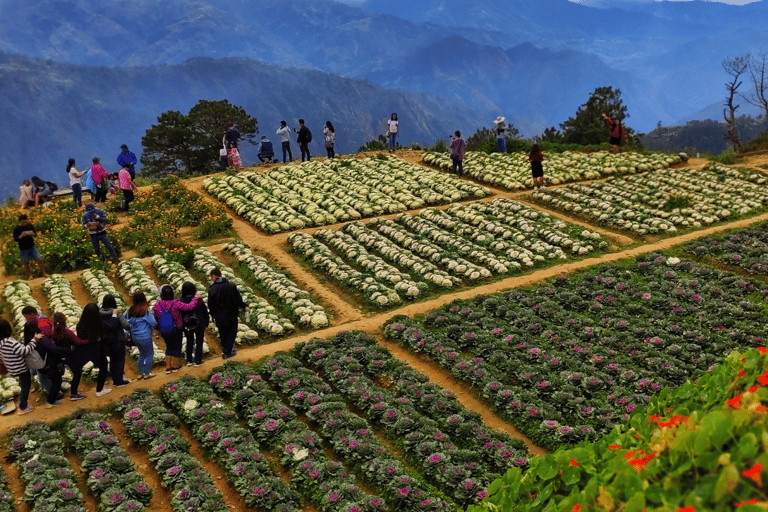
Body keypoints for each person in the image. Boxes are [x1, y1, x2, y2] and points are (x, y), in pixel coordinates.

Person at [153, 284, 199, 374]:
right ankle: (175, 366)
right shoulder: (175, 303)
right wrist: (195, 298)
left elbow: (156, 318)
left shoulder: (157, 305)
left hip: (164, 329)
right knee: (177, 346)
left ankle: (168, 367)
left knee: (169, 346)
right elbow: (189, 307)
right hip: (176, 328)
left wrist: (158, 328)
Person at [27, 322, 71, 408]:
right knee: (57, 381)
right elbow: (53, 349)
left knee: (51, 380)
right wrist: (67, 350)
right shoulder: (42, 339)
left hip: (38, 366)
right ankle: (51, 401)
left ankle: (52, 400)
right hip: (48, 365)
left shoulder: (28, 340)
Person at [49, 312, 90, 401]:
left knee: (75, 372)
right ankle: (74, 394)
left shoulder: (53, 332)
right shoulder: (67, 332)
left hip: (62, 356)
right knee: (77, 373)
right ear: (64, 320)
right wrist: (89, 340)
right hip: (71, 355)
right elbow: (78, 342)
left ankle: (73, 393)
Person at [207, 268, 247, 359]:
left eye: (211, 277)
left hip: (219, 315)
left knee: (223, 333)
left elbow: (210, 305)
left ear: (214, 276)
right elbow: (238, 299)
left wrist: (212, 315)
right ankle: (227, 352)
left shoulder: (212, 289)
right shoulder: (231, 285)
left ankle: (226, 350)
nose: (211, 279)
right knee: (231, 332)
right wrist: (244, 306)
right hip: (231, 313)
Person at [0, 319, 37, 414]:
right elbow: (24, 351)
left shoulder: (1, 342)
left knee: (23, 384)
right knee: (26, 386)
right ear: (7, 329)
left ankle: (23, 403)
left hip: (13, 368)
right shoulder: (10, 341)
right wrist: (34, 340)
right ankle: (23, 407)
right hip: (21, 368)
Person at [76, 303, 112, 398]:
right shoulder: (97, 323)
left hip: (85, 351)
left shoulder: (80, 324)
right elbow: (103, 335)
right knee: (103, 366)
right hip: (97, 350)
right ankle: (99, 390)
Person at [100, 295, 131, 387]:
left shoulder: (99, 313)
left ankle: (114, 379)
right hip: (118, 340)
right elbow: (126, 326)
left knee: (113, 360)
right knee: (120, 360)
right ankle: (119, 381)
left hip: (106, 341)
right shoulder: (116, 313)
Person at [127, 291, 157, 380]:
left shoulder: (130, 310)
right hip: (145, 336)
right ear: (144, 298)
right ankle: (147, 373)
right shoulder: (145, 310)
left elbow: (125, 320)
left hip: (135, 337)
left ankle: (140, 374)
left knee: (142, 354)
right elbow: (153, 322)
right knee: (149, 354)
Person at [179, 281, 209, 367]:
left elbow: (180, 314)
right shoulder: (198, 300)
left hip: (187, 325)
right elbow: (205, 312)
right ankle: (198, 360)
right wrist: (206, 323)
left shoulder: (181, 301)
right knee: (199, 342)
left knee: (189, 341)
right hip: (199, 324)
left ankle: (189, 360)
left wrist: (181, 325)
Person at [13, 215, 48, 280]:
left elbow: (35, 234)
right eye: (23, 222)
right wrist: (21, 235)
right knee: (26, 263)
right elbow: (15, 239)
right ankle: (30, 275)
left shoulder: (30, 226)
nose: (25, 223)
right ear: (20, 221)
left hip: (32, 246)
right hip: (23, 248)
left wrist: (31, 233)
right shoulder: (17, 229)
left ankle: (44, 273)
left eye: (26, 222)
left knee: (39, 259)